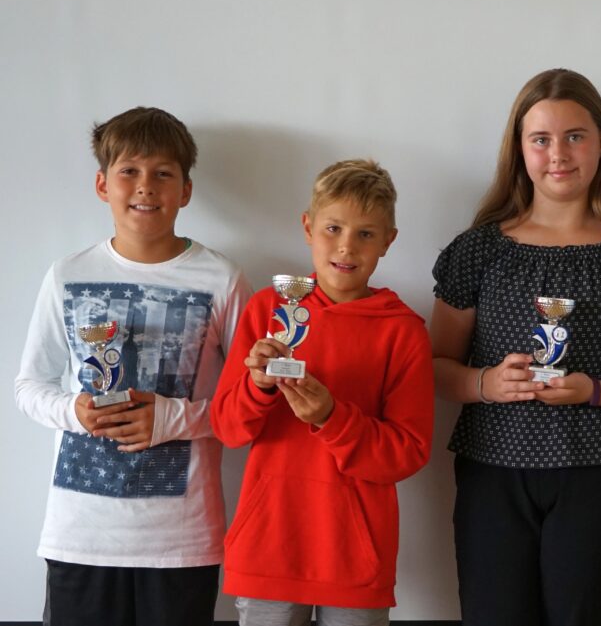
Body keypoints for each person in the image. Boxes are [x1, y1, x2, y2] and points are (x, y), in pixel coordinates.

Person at [431, 68, 601, 626]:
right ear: (519, 149)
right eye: (541, 139)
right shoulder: (479, 250)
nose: (559, 154)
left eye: (575, 135)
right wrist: (485, 383)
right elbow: (433, 368)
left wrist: (593, 390)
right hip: (494, 474)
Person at [14, 106, 252, 626]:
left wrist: (172, 418)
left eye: (163, 173)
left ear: (185, 190)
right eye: (130, 171)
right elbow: (28, 386)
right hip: (81, 534)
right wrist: (75, 411)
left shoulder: (222, 279)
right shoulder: (67, 274)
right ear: (103, 184)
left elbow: (248, 408)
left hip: (181, 540)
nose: (146, 187)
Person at [210, 159, 434, 626]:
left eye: (366, 234)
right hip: (267, 549)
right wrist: (258, 386)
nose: (347, 247)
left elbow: (408, 453)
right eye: (333, 228)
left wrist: (333, 418)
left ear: (388, 241)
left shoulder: (403, 331)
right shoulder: (269, 309)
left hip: (355, 562)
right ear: (308, 227)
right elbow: (227, 429)